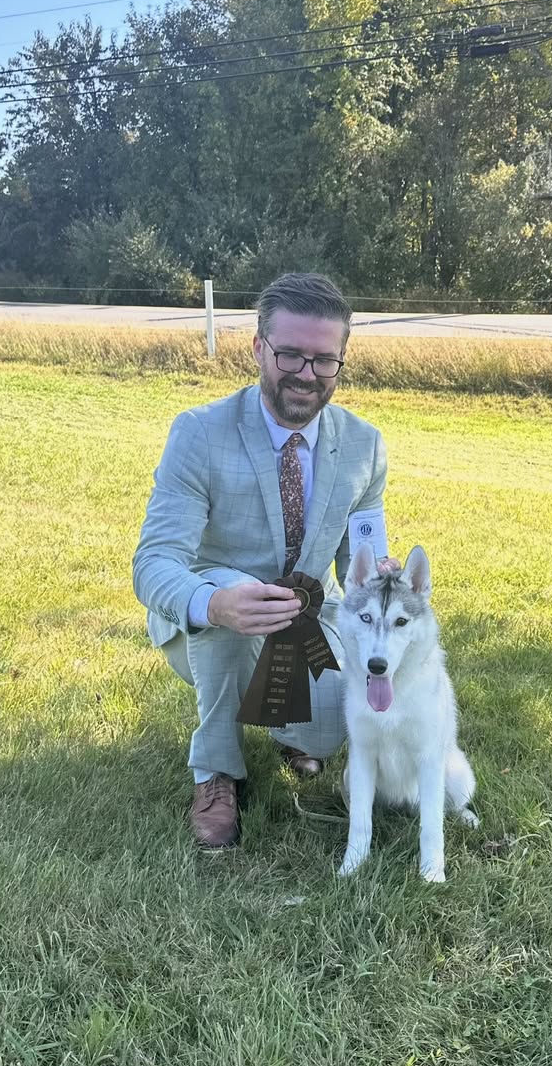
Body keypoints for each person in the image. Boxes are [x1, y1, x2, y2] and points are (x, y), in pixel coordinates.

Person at [133, 272, 396, 848]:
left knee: (328, 733)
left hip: (305, 627)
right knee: (231, 605)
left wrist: (384, 581)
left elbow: (363, 561)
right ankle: (216, 771)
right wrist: (212, 602)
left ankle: (293, 728)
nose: (307, 374)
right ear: (258, 348)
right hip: (204, 624)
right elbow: (153, 562)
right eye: (291, 355)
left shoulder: (365, 445)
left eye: (324, 360)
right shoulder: (199, 432)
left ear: (341, 360)